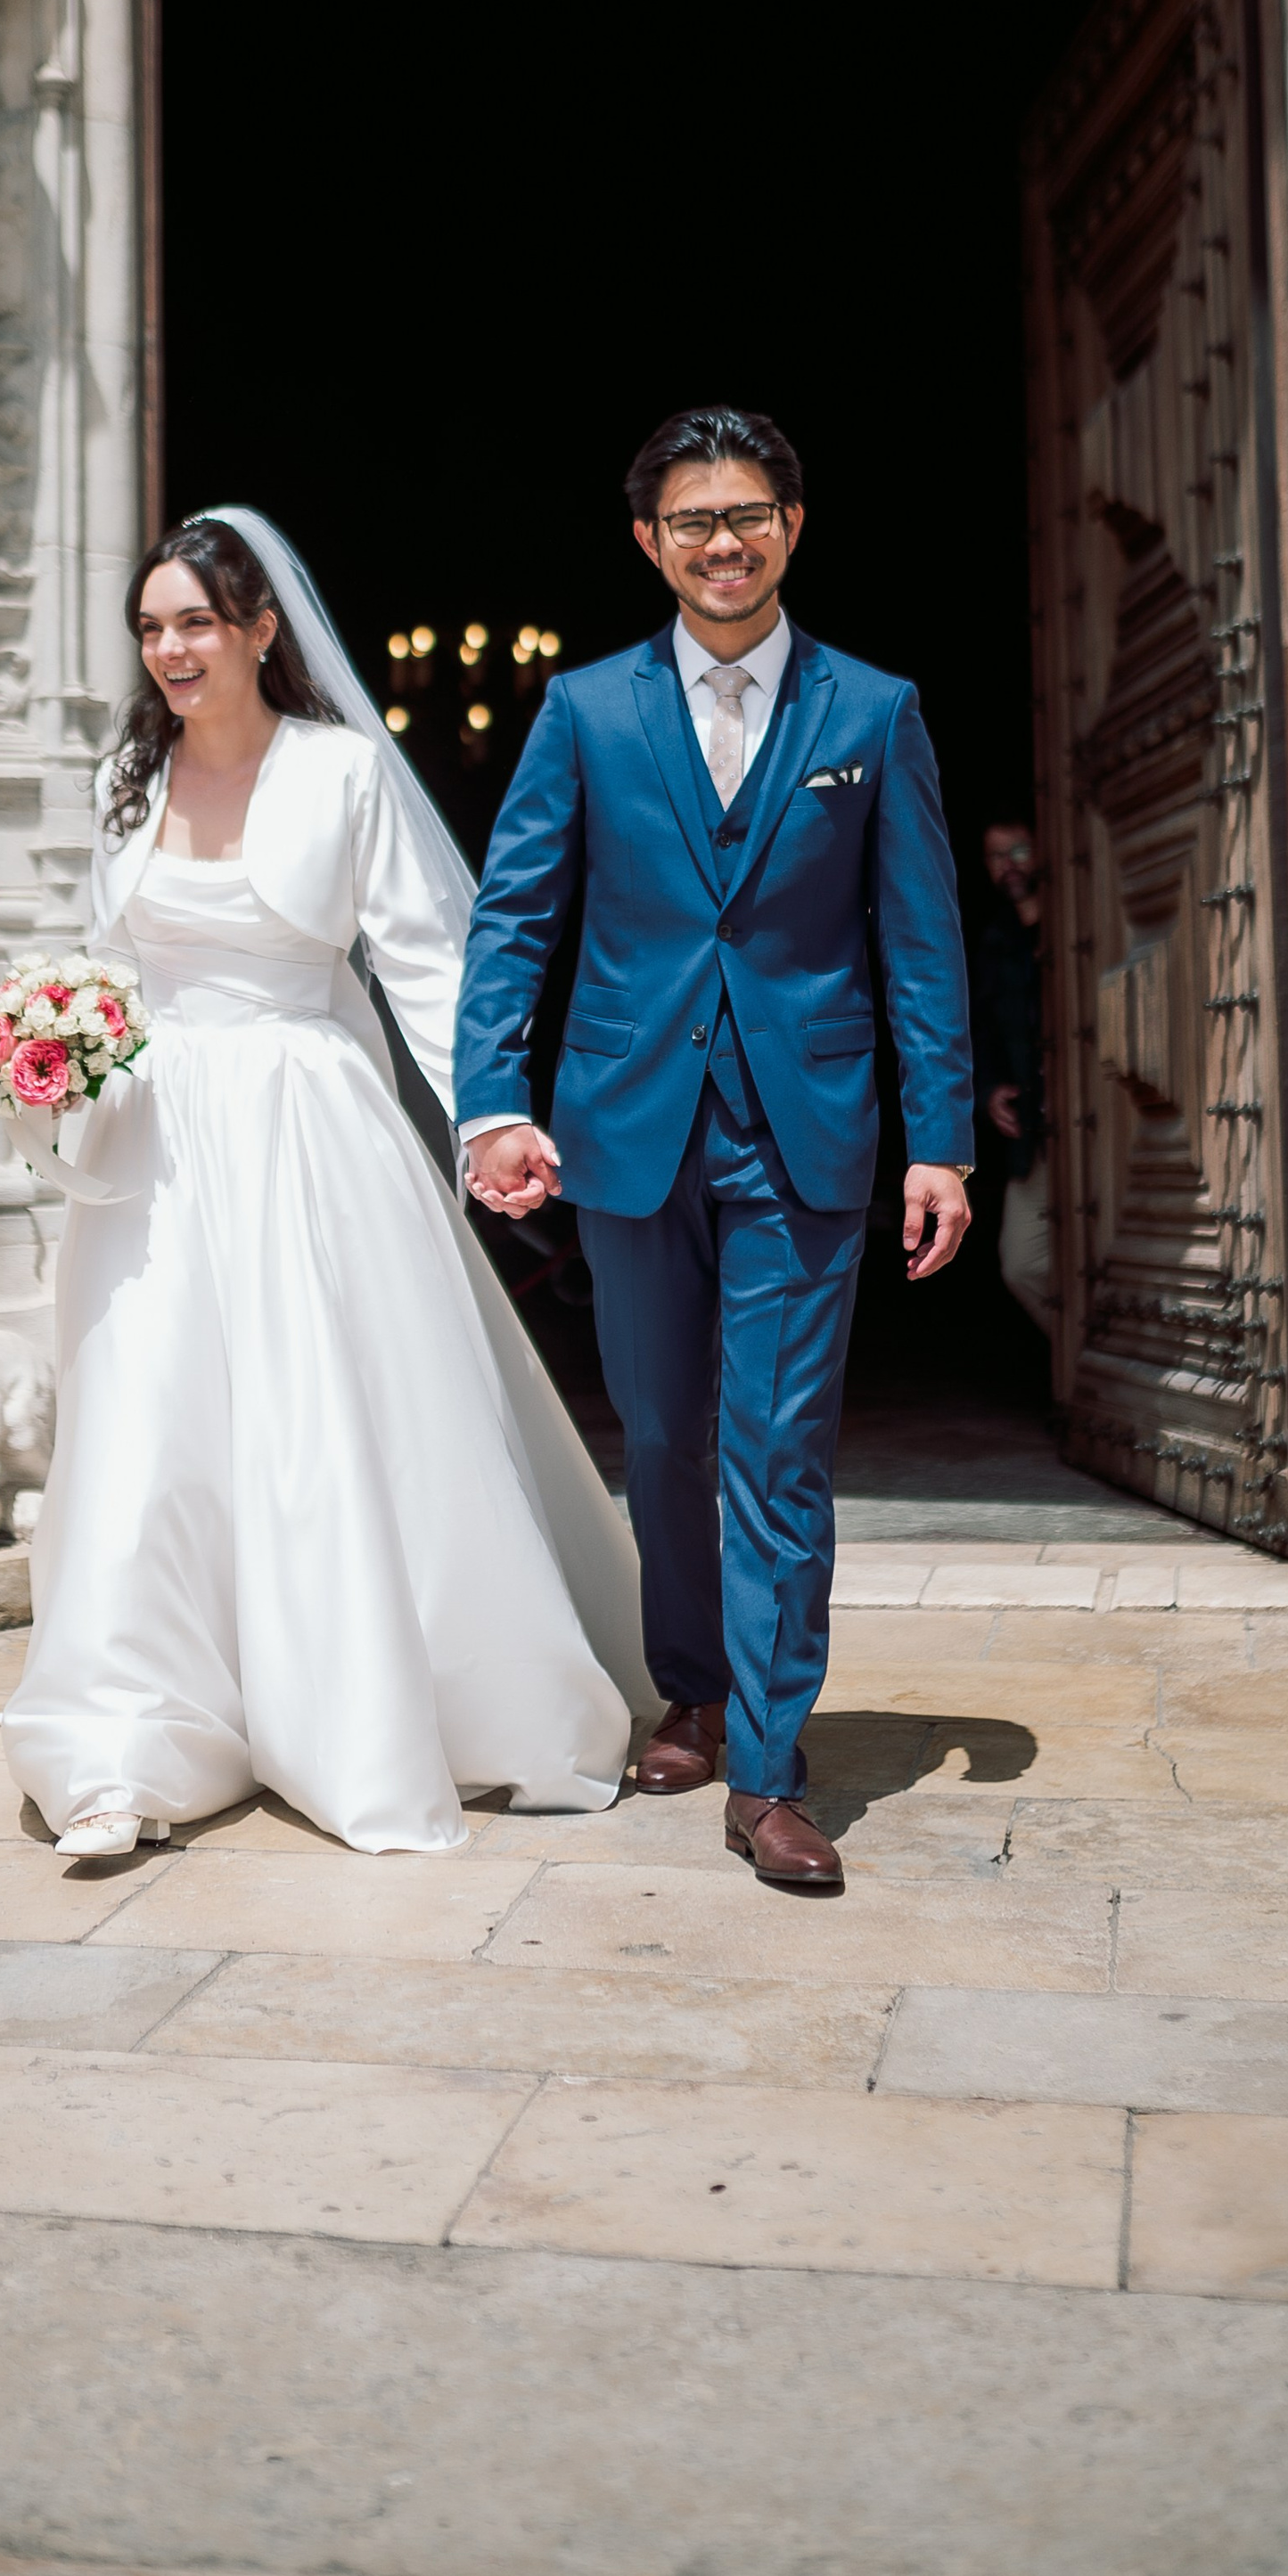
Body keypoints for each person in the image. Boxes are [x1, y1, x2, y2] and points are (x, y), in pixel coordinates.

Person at [0, 511, 649, 1861]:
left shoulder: (341, 772)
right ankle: (124, 1744)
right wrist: (56, 1037)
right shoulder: (126, 774)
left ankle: (359, 1710)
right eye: (150, 627)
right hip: (154, 1140)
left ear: (259, 629)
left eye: (192, 621)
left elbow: (425, 965)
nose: (170, 649)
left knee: (323, 1424)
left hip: (309, 1128)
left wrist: (493, 1121)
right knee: (142, 1433)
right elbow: (106, 955)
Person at [457, 408, 974, 1891]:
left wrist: (939, 1137)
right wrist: (497, 1098)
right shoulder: (586, 710)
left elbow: (922, 941)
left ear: (792, 527)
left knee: (778, 1449)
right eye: (694, 522)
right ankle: (688, 1678)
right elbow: (517, 918)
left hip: (804, 1137)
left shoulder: (873, 714)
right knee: (668, 1435)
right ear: (651, 542)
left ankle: (769, 1764)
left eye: (749, 515)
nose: (725, 542)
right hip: (630, 1129)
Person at [973, 818, 1056, 1341]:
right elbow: (979, 1029)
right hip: (1036, 1130)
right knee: (1022, 1263)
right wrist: (989, 1089)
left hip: (1116, 1127)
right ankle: (1087, 1361)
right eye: (996, 856)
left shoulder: (1089, 917)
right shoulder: (994, 940)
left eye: (1020, 849)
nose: (1009, 866)